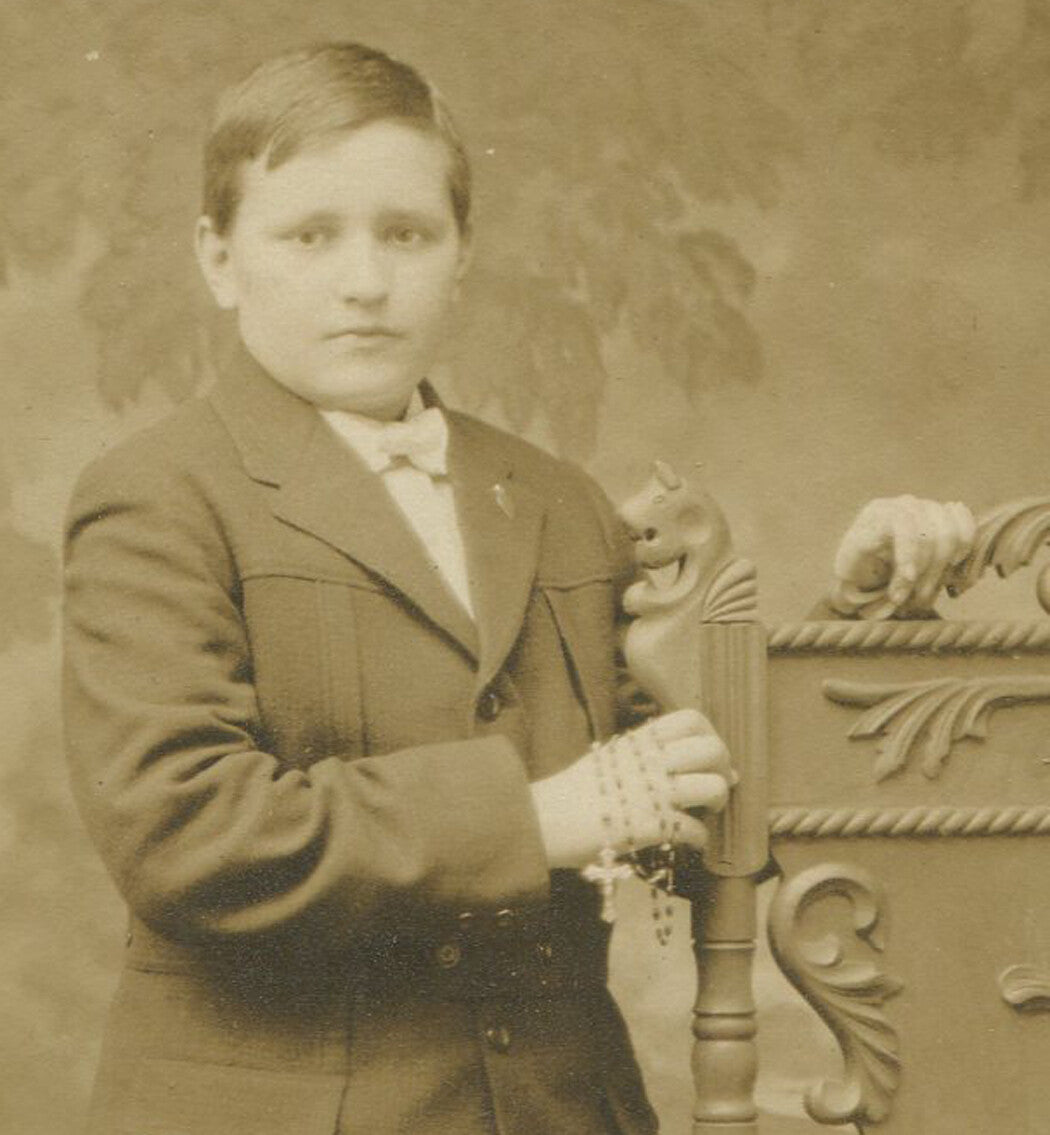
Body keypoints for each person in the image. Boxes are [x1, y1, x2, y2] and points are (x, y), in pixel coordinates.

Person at [62, 41, 975, 1135]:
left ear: (460, 255)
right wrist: (540, 815)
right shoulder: (156, 497)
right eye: (310, 235)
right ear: (219, 258)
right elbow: (185, 834)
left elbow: (714, 794)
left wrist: (869, 616)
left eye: (407, 233)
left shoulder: (553, 498)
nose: (365, 280)